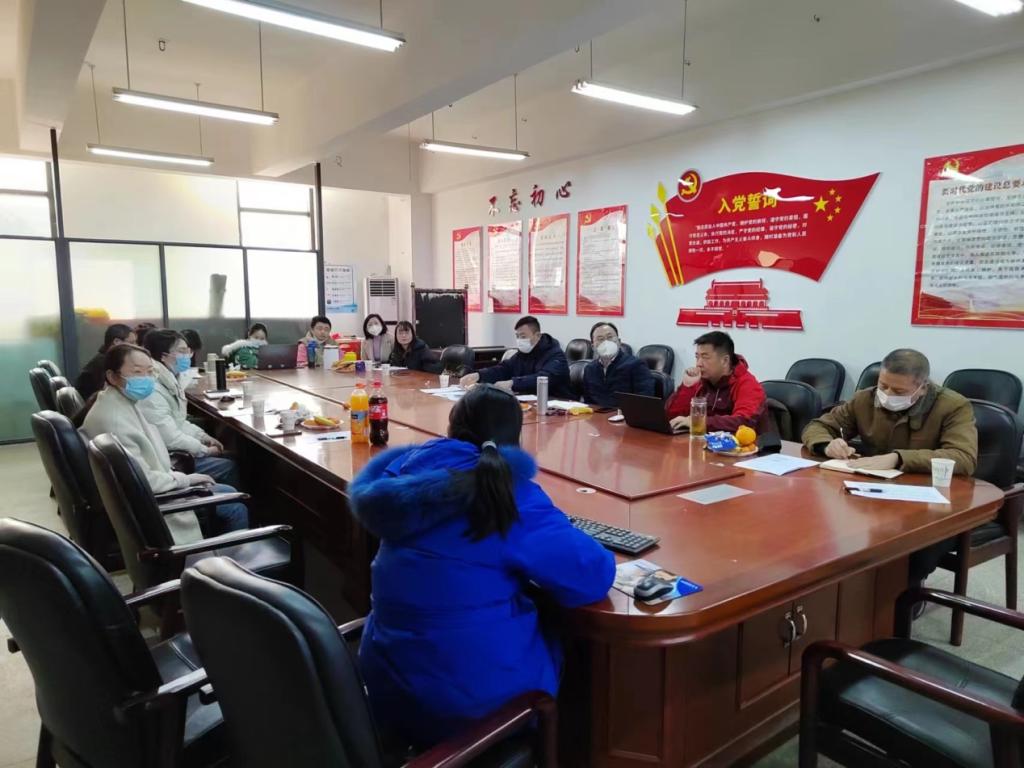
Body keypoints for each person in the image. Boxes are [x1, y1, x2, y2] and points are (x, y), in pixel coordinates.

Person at [349, 384, 615, 748]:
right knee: (571, 642)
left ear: (451, 427)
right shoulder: (506, 492)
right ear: (514, 440)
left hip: (386, 680)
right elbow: (592, 575)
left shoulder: (403, 477)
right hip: (463, 708)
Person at [802, 348, 978, 584]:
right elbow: (817, 426)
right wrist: (827, 444)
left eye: (899, 391)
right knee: (831, 535)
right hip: (874, 497)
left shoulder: (953, 406)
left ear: (922, 387)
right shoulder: (865, 399)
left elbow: (963, 456)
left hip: (930, 505)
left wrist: (898, 458)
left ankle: (900, 598)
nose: (887, 394)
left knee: (909, 554)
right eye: (883, 385)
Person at [79, 343, 249, 538]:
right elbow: (144, 481)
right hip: (153, 506)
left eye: (150, 372)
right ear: (112, 377)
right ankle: (220, 554)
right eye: (137, 372)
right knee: (236, 505)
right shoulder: (116, 420)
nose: (147, 378)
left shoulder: (117, 402)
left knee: (227, 490)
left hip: (152, 488)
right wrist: (185, 479)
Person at [140, 330, 241, 488]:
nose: (188, 355)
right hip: (170, 461)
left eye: (188, 351)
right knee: (230, 465)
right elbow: (170, 437)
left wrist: (203, 436)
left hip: (172, 452)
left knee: (233, 456)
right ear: (163, 356)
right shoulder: (153, 388)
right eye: (182, 351)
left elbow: (178, 421)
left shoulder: (170, 379)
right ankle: (232, 499)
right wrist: (204, 450)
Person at [666, 331, 772, 432]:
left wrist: (700, 422)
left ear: (725, 361)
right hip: (703, 442)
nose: (698, 364)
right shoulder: (700, 380)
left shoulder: (747, 384)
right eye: (697, 357)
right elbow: (671, 417)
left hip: (743, 444)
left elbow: (743, 422)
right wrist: (687, 387)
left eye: (705, 357)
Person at [460, 315, 571, 397]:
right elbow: (504, 369)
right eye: (517, 336)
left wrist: (512, 383)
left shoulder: (556, 356)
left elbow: (542, 378)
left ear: (537, 336)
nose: (519, 340)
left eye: (523, 336)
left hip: (557, 406)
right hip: (530, 403)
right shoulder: (522, 353)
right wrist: (479, 375)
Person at [582, 322, 655, 408]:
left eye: (610, 337)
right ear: (593, 346)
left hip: (624, 414)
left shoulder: (636, 365)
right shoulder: (590, 369)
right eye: (600, 339)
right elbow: (588, 402)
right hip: (597, 414)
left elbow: (645, 400)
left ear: (619, 342)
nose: (606, 342)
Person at [75, 323, 136, 400]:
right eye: (132, 343)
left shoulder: (104, 359)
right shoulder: (104, 364)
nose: (135, 346)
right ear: (117, 342)